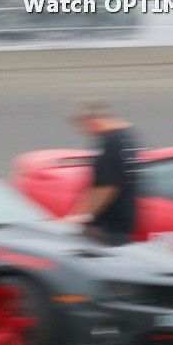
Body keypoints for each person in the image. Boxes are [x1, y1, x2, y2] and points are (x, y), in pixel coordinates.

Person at [64, 99, 140, 246]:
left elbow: (106, 186)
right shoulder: (127, 136)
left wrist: (80, 216)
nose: (83, 131)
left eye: (82, 125)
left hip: (108, 229)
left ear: (91, 119)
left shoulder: (111, 143)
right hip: (124, 224)